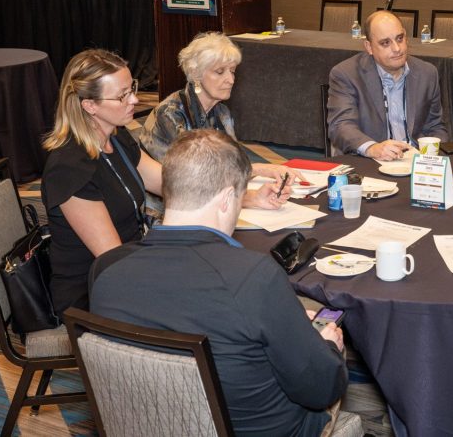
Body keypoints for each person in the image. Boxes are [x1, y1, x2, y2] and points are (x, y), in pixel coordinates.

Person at [90, 129, 347, 437]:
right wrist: (327, 345)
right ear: (227, 199)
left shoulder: (106, 269)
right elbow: (320, 390)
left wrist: (283, 320)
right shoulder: (255, 278)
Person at [41, 49, 289, 317]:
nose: (135, 99)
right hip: (95, 293)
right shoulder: (69, 169)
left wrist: (250, 197)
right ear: (89, 105)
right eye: (122, 95)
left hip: (134, 264)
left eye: (131, 88)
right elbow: (111, 259)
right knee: (217, 295)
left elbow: (172, 185)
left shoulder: (117, 138)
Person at [138, 32, 295, 181]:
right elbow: (193, 178)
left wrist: (263, 169)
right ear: (195, 74)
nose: (231, 80)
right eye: (220, 72)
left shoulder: (222, 112)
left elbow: (232, 164)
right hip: (169, 205)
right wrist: (250, 195)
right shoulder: (171, 113)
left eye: (232, 71)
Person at [327, 10, 448, 160]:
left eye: (400, 38)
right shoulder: (346, 74)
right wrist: (372, 148)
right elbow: (341, 126)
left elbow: (435, 127)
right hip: (369, 161)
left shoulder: (427, 73)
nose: (397, 48)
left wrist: (429, 159)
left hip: (416, 162)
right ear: (369, 47)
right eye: (385, 43)